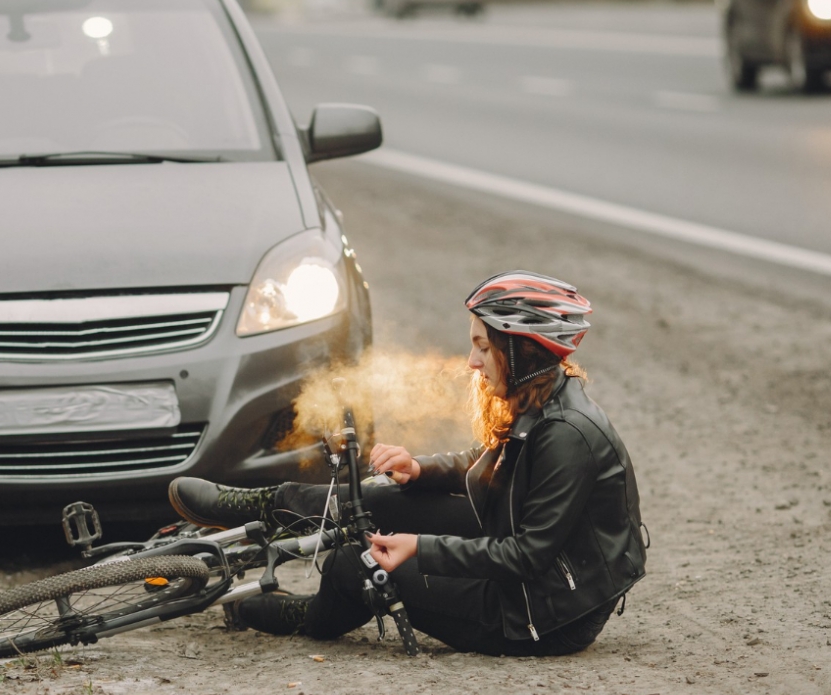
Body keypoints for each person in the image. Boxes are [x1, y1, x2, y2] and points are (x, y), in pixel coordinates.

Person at [168, 271, 646, 656]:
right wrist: (420, 468)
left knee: (355, 565)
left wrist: (419, 548)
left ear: (521, 351)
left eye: (483, 347)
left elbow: (525, 557)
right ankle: (257, 506)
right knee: (377, 497)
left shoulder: (567, 435)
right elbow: (489, 463)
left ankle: (307, 614)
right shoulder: (540, 401)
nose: (472, 362)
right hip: (517, 549)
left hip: (537, 612)